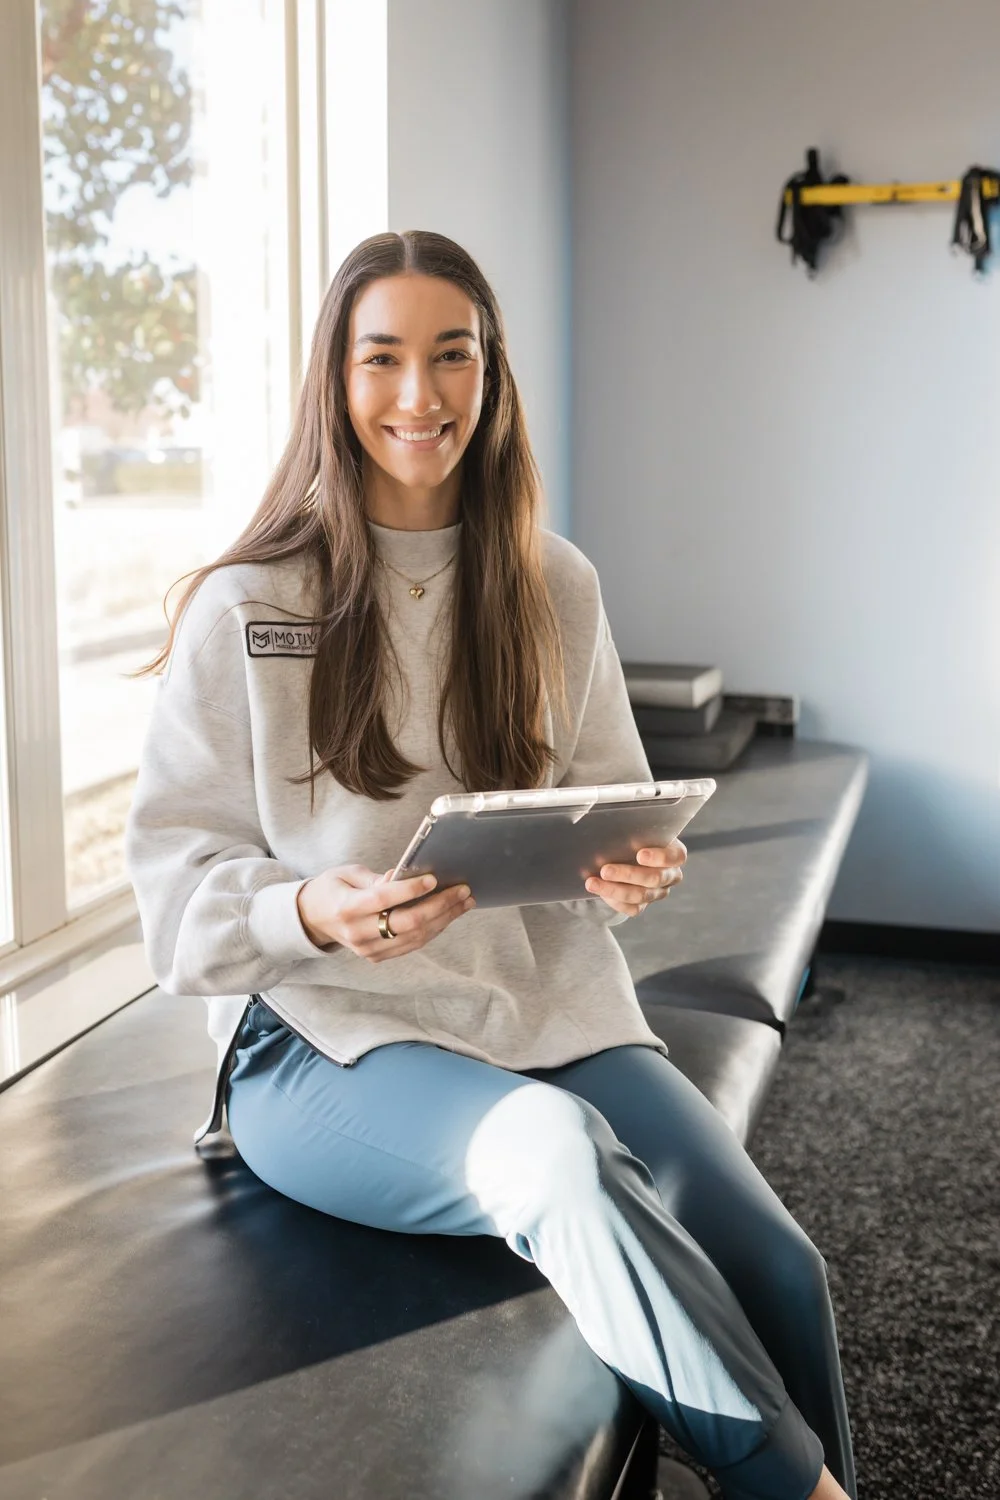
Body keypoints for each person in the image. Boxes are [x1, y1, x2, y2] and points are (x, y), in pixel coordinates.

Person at [124, 230, 856, 1500]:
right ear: (335, 382)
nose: (421, 395)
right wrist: (309, 907)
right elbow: (174, 896)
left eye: (451, 356)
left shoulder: (553, 586)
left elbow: (608, 818)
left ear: (490, 374)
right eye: (385, 359)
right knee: (556, 1156)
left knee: (784, 1267)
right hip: (326, 1039)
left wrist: (629, 871)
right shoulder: (247, 605)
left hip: (543, 1010)